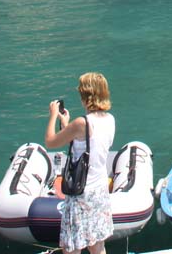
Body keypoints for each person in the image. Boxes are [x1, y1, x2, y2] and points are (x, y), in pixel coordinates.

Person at [45, 73, 116, 254]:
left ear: (85, 95)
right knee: (97, 245)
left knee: (72, 247)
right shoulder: (110, 119)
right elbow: (88, 143)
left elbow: (50, 142)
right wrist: (66, 124)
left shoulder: (81, 123)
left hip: (81, 193)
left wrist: (53, 116)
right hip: (99, 191)